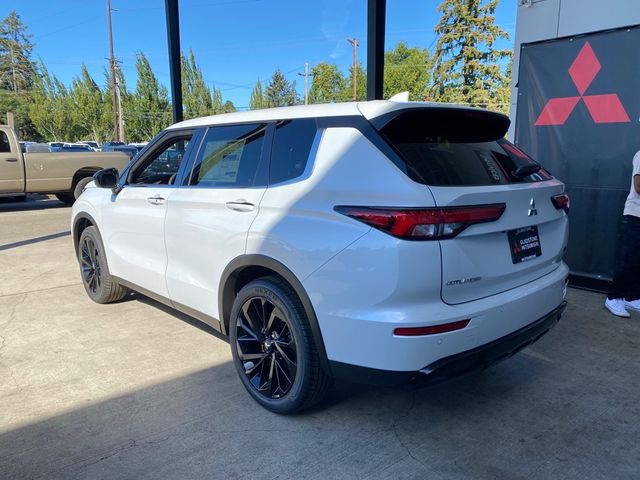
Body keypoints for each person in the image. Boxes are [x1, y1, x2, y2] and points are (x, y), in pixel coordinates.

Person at [605, 150, 640, 317]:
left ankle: (632, 297)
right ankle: (613, 297)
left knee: (638, 261)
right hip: (635, 215)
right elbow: (638, 186)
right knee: (628, 259)